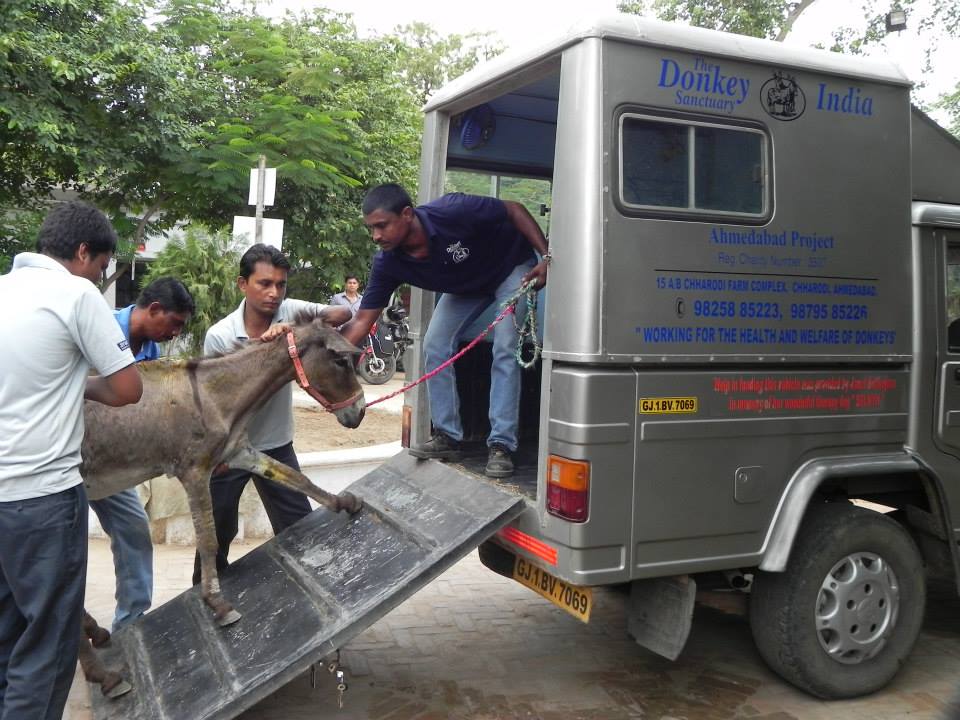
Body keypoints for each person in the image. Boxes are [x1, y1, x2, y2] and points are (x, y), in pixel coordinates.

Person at [0, 200, 142, 720]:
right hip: (43, 499)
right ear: (84, 252)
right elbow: (128, 388)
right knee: (48, 647)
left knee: (7, 638)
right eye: (103, 266)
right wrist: (82, 385)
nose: (102, 277)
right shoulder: (76, 293)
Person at [341, 184, 549, 479]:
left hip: (511, 267)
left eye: (382, 226)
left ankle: (501, 444)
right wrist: (332, 358)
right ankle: (447, 437)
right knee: (434, 344)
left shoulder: (453, 210)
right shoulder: (388, 262)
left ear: (407, 214)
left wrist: (546, 258)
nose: (376, 236)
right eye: (371, 229)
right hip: (468, 287)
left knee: (505, 346)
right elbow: (362, 321)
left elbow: (514, 209)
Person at [192, 244, 350, 584]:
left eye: (280, 284)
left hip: (276, 446)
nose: (274, 293)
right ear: (242, 284)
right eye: (264, 283)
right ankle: (202, 600)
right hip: (230, 451)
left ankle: (314, 599)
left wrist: (294, 329)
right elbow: (214, 402)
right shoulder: (220, 336)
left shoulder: (291, 311)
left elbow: (344, 315)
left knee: (300, 527)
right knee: (217, 533)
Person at [89, 276, 195, 630]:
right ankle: (62, 631)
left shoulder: (150, 352)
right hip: (69, 460)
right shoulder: (98, 330)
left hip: (112, 464)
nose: (175, 334)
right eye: (174, 324)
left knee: (133, 528)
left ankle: (131, 625)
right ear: (153, 310)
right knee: (64, 552)